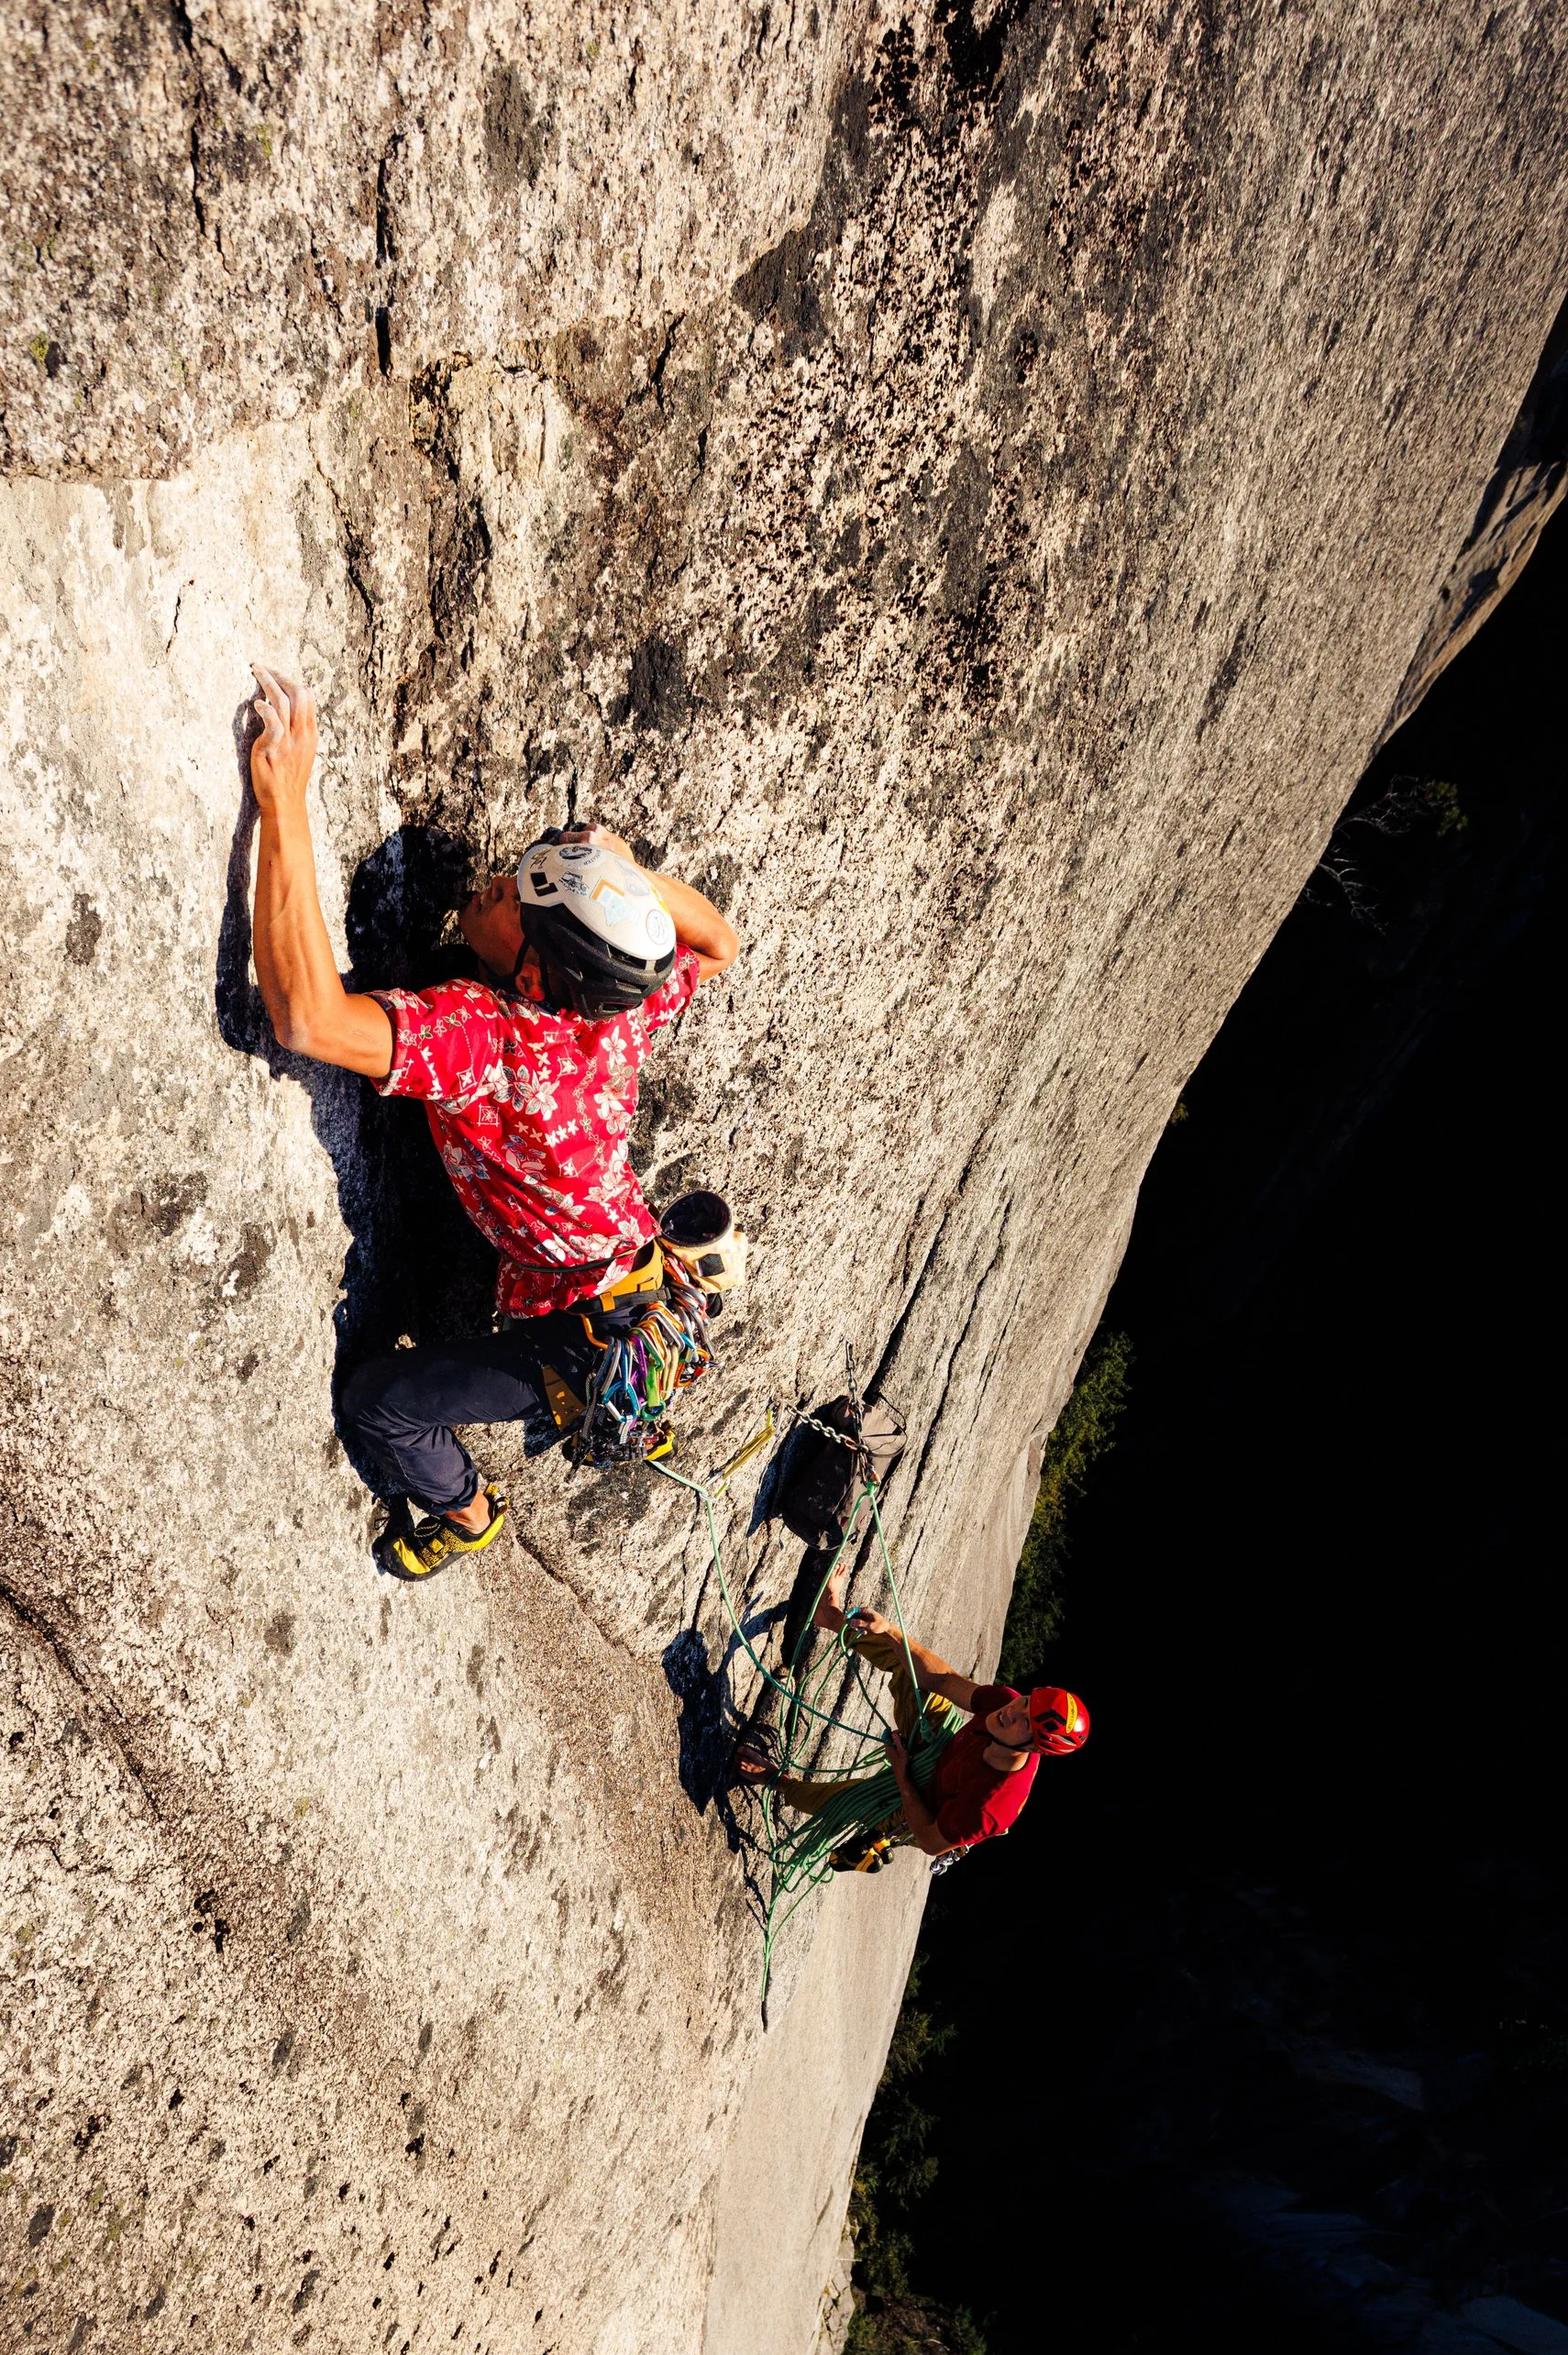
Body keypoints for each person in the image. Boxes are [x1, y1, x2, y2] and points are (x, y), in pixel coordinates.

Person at [246, 664, 740, 1577]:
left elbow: (305, 1017)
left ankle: (465, 1514)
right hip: (627, 1282)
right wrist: (619, 880)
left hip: (576, 1335)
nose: (495, 888)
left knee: (381, 1404)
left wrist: (285, 805)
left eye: (521, 900)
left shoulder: (486, 1039)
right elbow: (718, 943)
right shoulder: (615, 1013)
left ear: (536, 975)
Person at [734, 1586, 1088, 1863]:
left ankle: (775, 1780)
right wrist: (890, 1630)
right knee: (909, 1668)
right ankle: (831, 1619)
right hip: (941, 1747)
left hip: (923, 1806)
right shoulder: (1004, 1704)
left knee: (844, 1802)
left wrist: (902, 1773)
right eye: (1025, 1702)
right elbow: (944, 1680)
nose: (1013, 1712)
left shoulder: (991, 1806)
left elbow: (931, 1842)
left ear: (1032, 1747)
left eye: (1025, 1724)